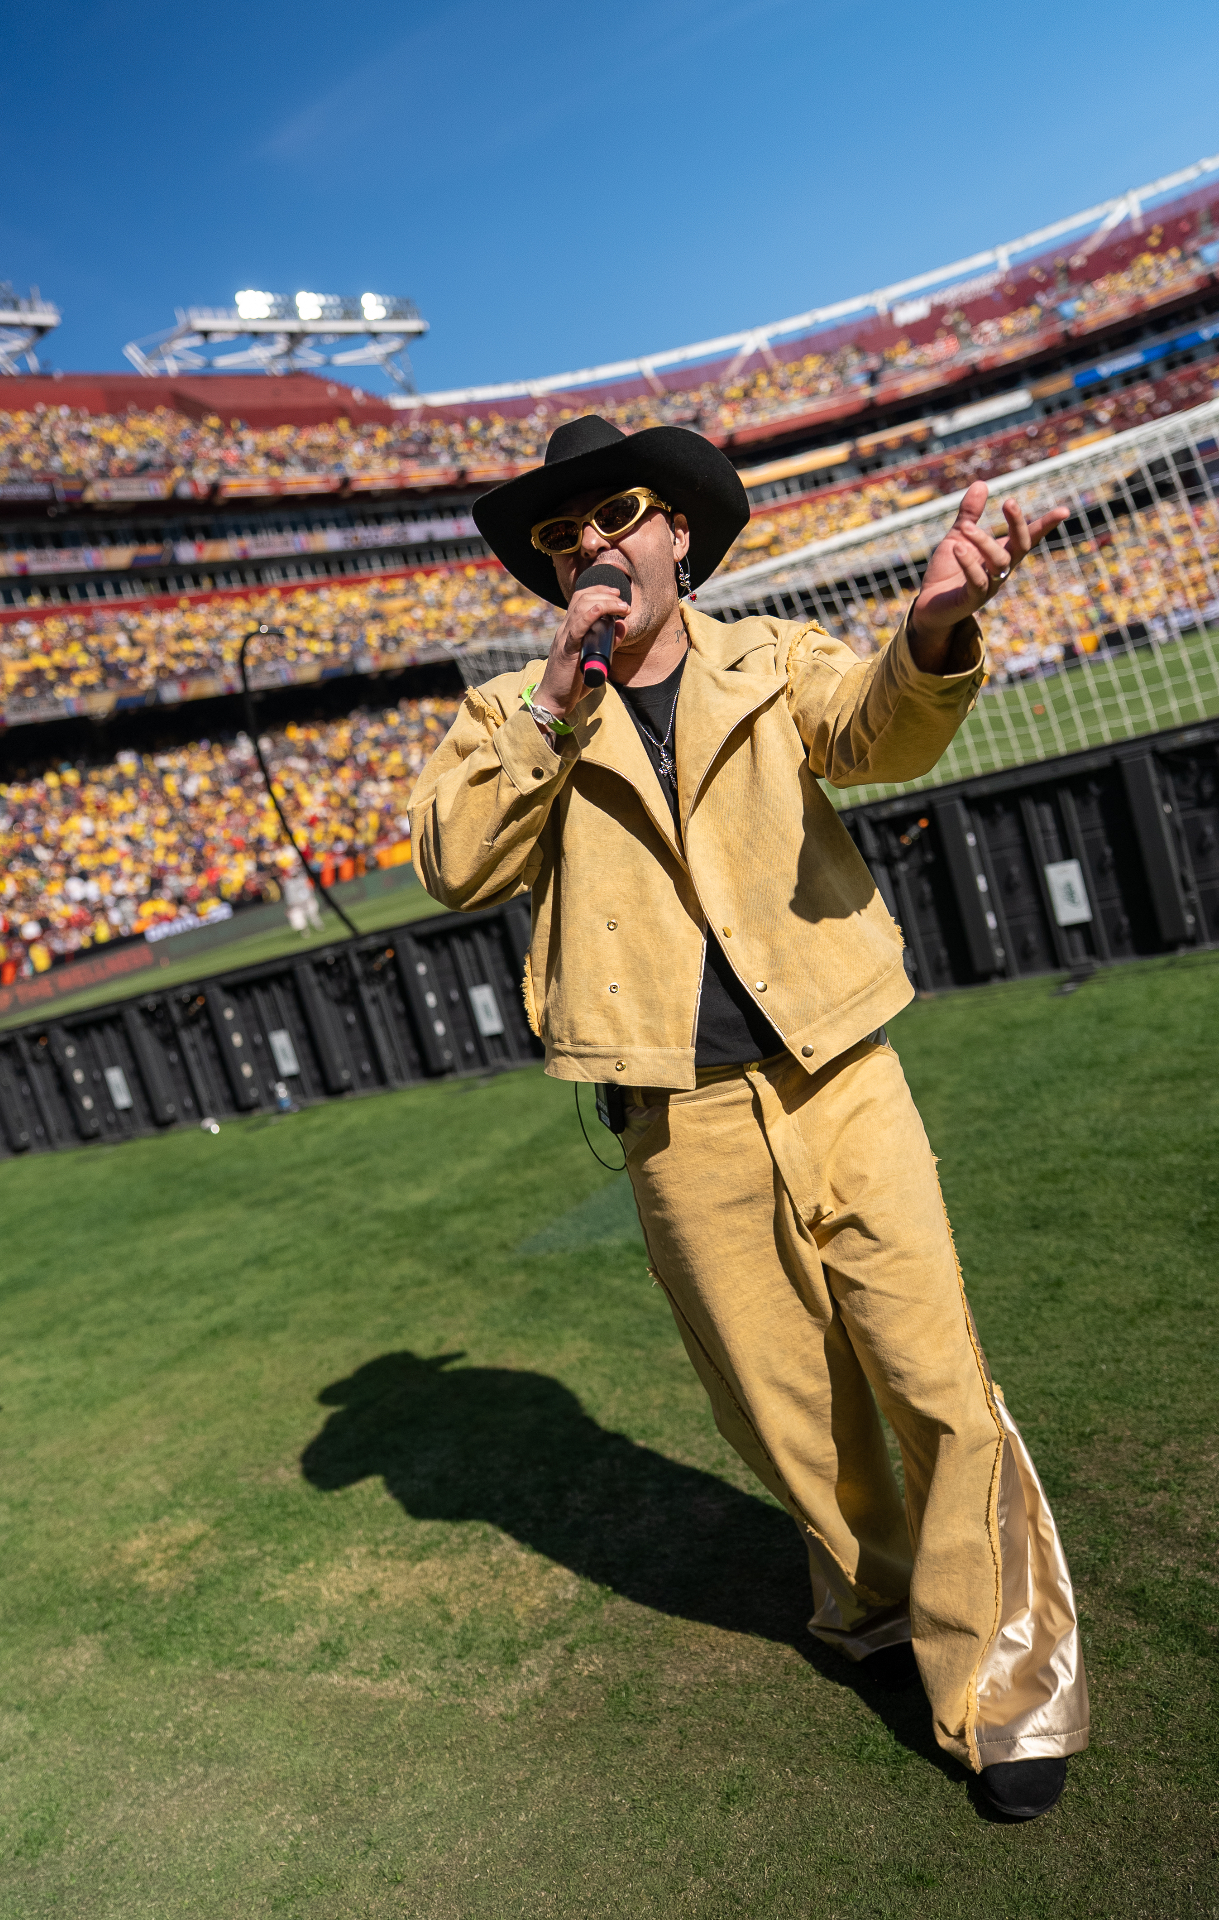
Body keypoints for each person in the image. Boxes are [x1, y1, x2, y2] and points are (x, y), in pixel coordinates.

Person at [409, 415, 1089, 1822]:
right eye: (560, 535)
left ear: (677, 535)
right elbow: (454, 863)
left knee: (933, 1380)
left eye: (619, 515)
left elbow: (875, 729)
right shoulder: (508, 712)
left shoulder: (771, 656)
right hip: (674, 1116)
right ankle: (875, 1609)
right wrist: (552, 705)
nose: (590, 544)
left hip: (840, 1073)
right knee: (790, 1415)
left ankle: (1005, 1685)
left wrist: (936, 628)